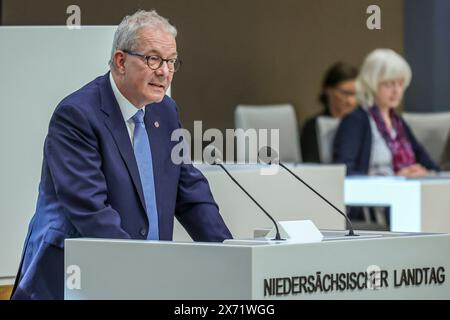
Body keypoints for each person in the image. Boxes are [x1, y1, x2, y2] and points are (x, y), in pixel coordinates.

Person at [11, 10, 232, 300]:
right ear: (120, 61)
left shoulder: (165, 111)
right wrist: (141, 271)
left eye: (171, 61)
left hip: (139, 281)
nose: (164, 71)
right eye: (153, 59)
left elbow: (189, 190)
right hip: (72, 282)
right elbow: (91, 211)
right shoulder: (77, 115)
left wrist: (230, 253)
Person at [333, 48, 439, 177]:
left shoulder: (398, 123)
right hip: (373, 195)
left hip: (408, 192)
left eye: (400, 84)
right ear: (371, 83)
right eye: (389, 84)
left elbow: (431, 166)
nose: (396, 91)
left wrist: (425, 173)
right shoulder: (356, 121)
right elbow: (345, 173)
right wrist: (396, 179)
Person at [300, 62, 358, 163]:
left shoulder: (362, 125)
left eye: (355, 94)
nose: (351, 101)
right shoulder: (312, 126)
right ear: (328, 90)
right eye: (345, 93)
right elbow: (310, 163)